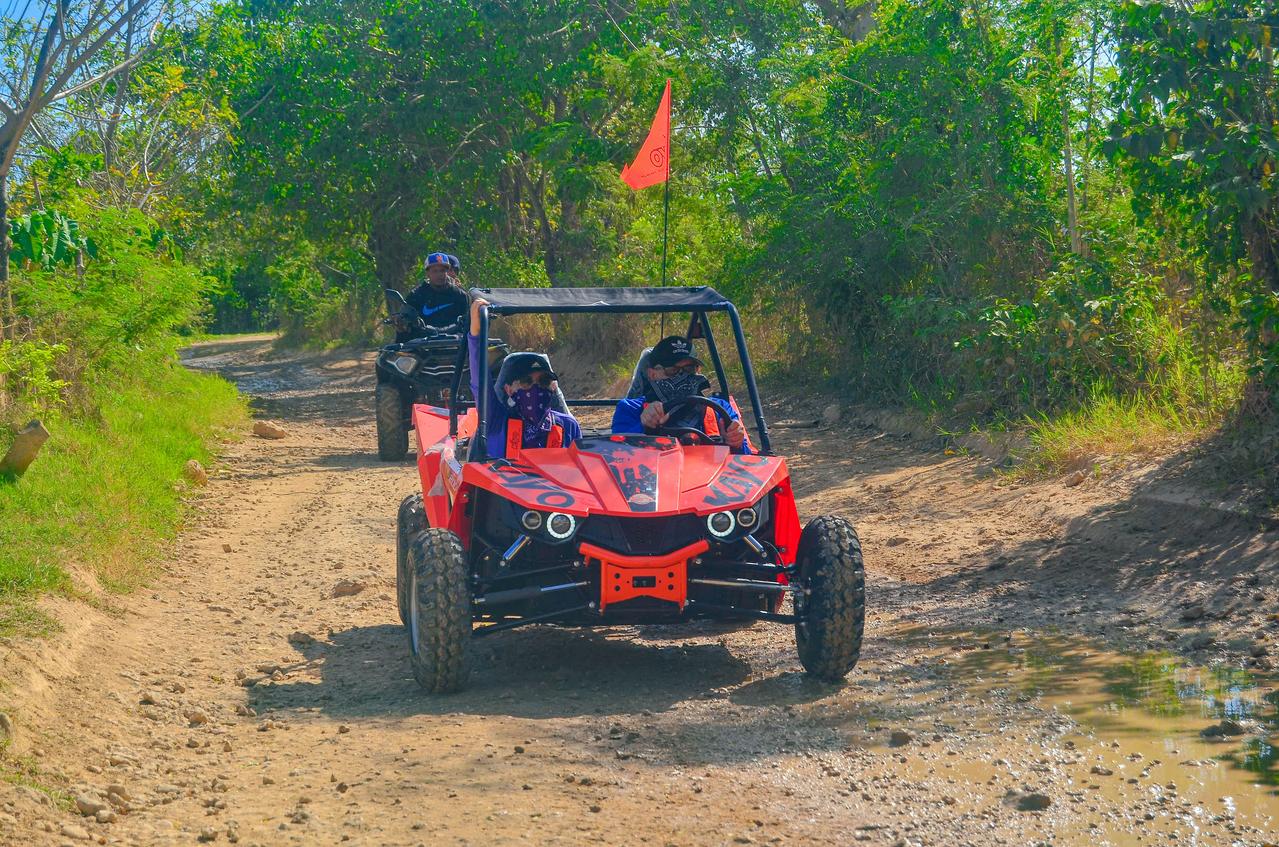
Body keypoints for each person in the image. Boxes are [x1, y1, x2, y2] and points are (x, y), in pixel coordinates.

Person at [468, 298, 581, 458]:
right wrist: (475, 334)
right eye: (526, 382)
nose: (536, 388)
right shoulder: (496, 421)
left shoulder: (568, 426)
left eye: (544, 381)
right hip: (502, 482)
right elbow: (480, 384)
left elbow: (581, 473)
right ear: (508, 389)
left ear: (553, 386)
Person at [612, 335, 751, 454]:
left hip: (708, 479)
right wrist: (642, 425)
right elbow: (617, 454)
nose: (682, 375)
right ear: (652, 374)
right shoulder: (629, 409)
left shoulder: (719, 408)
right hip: (655, 480)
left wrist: (736, 441)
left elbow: (747, 459)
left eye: (689, 369)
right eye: (672, 370)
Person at [396, 252, 469, 341]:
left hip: (455, 347)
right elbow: (404, 335)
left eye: (442, 270)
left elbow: (468, 327)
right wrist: (401, 327)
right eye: (435, 271)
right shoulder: (415, 296)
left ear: (447, 272)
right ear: (427, 273)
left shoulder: (460, 296)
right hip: (422, 349)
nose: (439, 274)